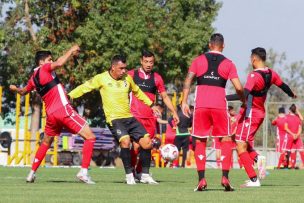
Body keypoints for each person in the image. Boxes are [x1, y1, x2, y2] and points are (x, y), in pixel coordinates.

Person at [9, 45, 96, 184]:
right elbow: (61, 62)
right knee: (90, 137)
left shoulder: (33, 79)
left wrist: (15, 88)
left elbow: (23, 91)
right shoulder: (45, 68)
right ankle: (83, 172)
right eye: (49, 59)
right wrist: (71, 50)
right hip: (63, 110)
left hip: (51, 115)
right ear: (41, 62)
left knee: (45, 142)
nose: (52, 61)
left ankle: (31, 173)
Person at [68, 54, 160, 185]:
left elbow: (138, 92)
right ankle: (129, 176)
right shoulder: (101, 78)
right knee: (126, 141)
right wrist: (69, 96)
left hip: (129, 117)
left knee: (147, 143)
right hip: (114, 119)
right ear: (113, 67)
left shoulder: (127, 78)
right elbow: (84, 87)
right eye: (121, 68)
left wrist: (151, 105)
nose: (124, 71)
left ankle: (144, 175)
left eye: (125, 68)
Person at [181, 33, 245, 192]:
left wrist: (184, 101)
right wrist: (243, 99)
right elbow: (238, 87)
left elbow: (188, 80)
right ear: (223, 46)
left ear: (210, 45)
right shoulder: (229, 63)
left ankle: (202, 179)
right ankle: (225, 176)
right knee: (225, 139)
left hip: (201, 105)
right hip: (219, 106)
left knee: (200, 141)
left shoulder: (198, 60)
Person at [227, 47, 296, 187]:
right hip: (256, 112)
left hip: (251, 114)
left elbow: (243, 95)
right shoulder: (271, 73)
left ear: (254, 59)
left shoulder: (253, 76)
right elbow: (283, 86)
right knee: (236, 138)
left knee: (240, 146)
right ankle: (259, 160)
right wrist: (291, 94)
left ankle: (253, 179)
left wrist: (222, 97)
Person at [128, 49, 179, 177]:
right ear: (141, 61)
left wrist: (174, 112)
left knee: (148, 146)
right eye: (146, 61)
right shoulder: (131, 75)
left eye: (151, 62)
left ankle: (141, 172)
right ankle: (131, 172)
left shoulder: (157, 78)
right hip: (135, 117)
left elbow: (165, 97)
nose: (148, 64)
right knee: (135, 146)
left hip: (150, 118)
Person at [284, 104, 303, 169]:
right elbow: (302, 120)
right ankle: (289, 166)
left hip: (292, 136)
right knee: (293, 151)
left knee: (290, 151)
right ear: (295, 110)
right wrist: (296, 135)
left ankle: (288, 166)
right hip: (294, 136)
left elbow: (285, 128)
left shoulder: (287, 116)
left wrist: (294, 135)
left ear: (290, 110)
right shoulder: (297, 116)